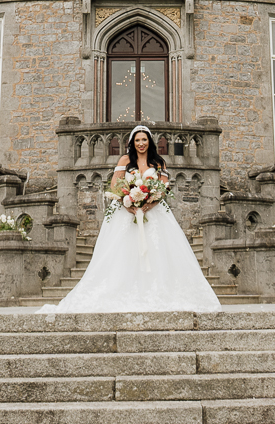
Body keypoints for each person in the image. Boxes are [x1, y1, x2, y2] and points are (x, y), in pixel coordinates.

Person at [41, 124, 221, 313]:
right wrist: (128, 203)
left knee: (157, 251)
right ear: (132, 143)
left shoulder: (158, 162)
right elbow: (114, 185)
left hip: (154, 211)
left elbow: (165, 186)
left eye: (144, 140)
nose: (141, 143)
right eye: (137, 140)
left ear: (149, 141)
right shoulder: (125, 159)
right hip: (127, 213)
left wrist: (150, 203)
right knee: (123, 251)